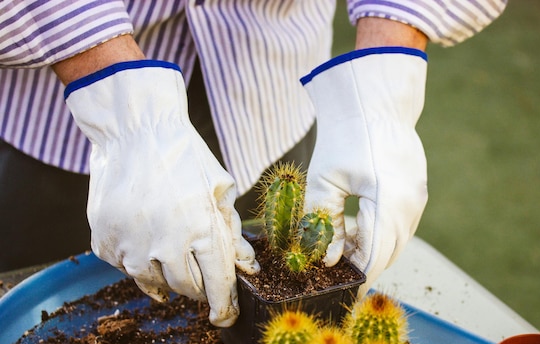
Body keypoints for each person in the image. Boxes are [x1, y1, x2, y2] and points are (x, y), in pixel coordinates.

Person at [0, 0, 507, 326]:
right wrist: (116, 100)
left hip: (269, 96)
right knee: (42, 314)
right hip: (59, 123)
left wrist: (384, 81)